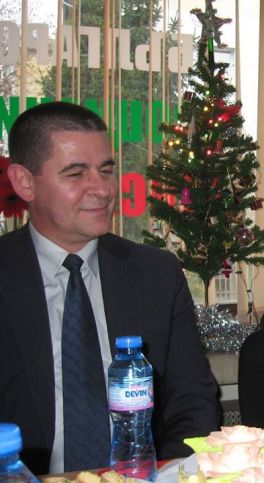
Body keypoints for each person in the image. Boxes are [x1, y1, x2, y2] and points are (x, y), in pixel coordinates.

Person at [0, 101, 221, 475]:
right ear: (25, 182)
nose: (102, 189)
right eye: (75, 174)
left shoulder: (156, 274)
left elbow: (193, 403)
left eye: (106, 170)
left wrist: (171, 475)